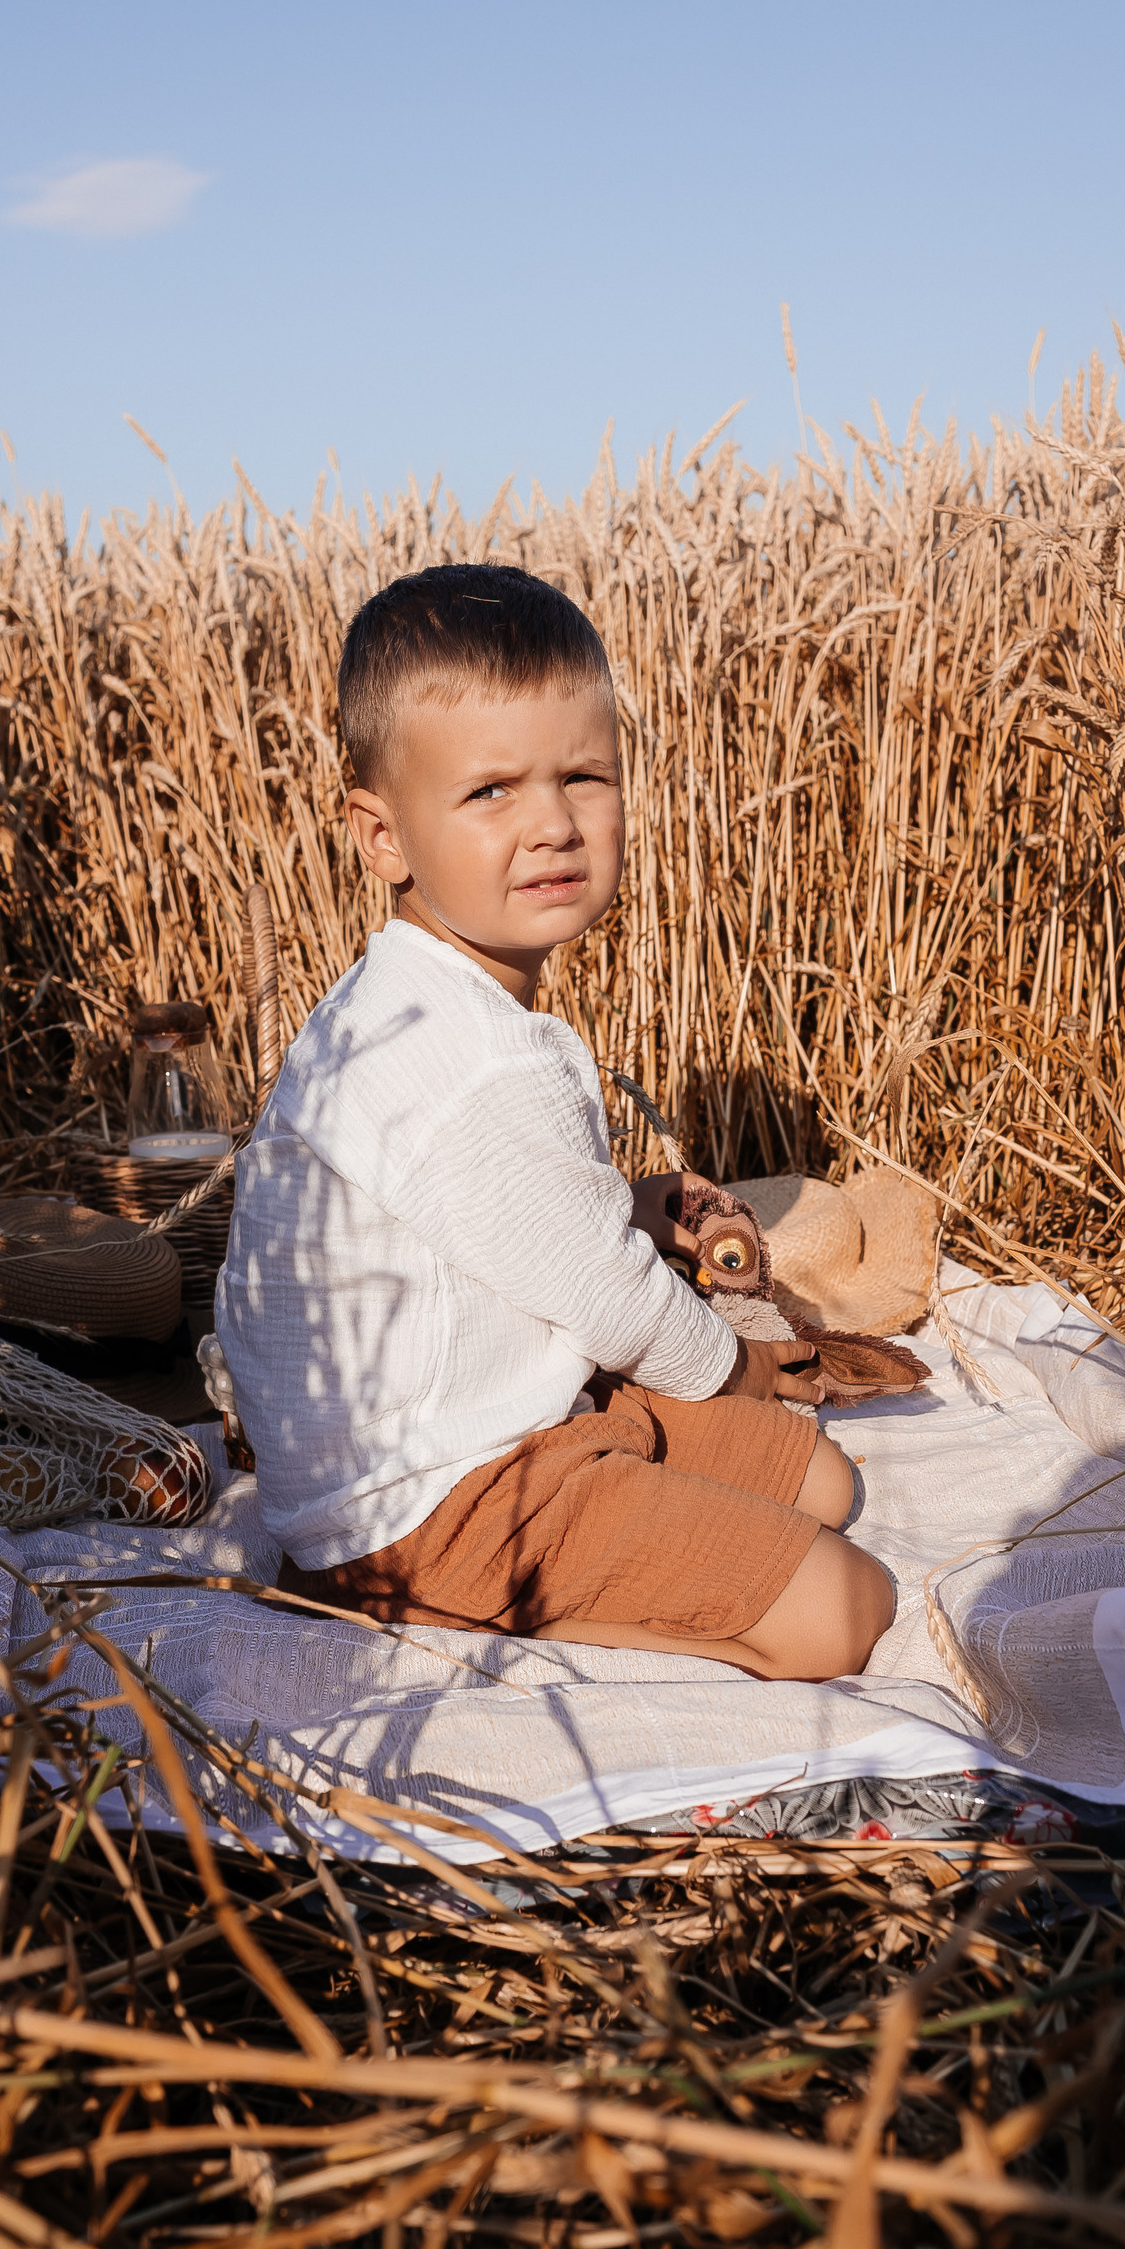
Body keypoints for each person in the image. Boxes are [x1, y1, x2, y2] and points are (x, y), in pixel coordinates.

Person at [216, 564, 893, 1680]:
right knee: (843, 1612)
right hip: (424, 1500)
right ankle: (422, 1616)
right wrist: (742, 1371)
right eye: (491, 793)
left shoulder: (429, 999)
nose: (551, 825)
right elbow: (615, 1300)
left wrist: (633, 1205)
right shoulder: (465, 1054)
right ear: (383, 837)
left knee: (826, 1481)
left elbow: (496, 1222)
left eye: (583, 776)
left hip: (510, 1415)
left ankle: (622, 1538)